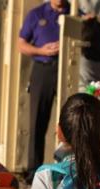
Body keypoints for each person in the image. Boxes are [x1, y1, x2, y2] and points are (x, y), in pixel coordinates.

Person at [18, 0, 70, 178]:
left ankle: (67, 167)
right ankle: (34, 170)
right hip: (43, 68)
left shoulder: (73, 12)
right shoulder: (37, 14)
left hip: (68, 69)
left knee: (69, 119)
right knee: (38, 120)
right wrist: (41, 51)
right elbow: (21, 44)